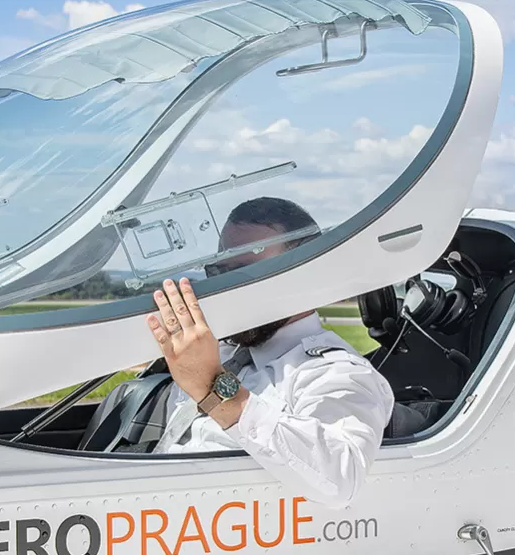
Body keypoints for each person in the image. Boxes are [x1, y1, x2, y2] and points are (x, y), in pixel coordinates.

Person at [146, 197, 394, 507]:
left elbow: (342, 477)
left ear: (305, 275)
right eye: (219, 272)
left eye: (247, 274)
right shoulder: (215, 353)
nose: (228, 288)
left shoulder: (334, 372)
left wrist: (216, 390)